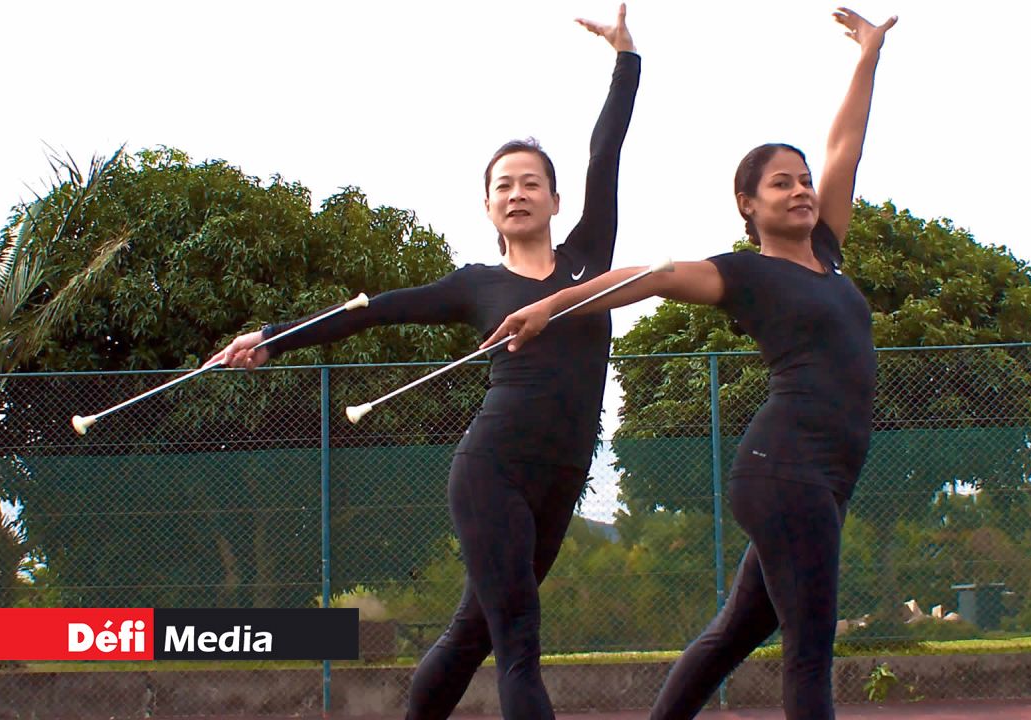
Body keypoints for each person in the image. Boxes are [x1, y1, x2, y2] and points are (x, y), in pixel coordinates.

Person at [210, 7, 640, 718]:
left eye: (531, 182)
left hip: (563, 475)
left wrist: (625, 60)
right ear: (487, 206)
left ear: (556, 200)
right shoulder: (474, 284)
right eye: (504, 184)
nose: (518, 193)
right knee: (519, 640)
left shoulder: (589, 258)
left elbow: (607, 152)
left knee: (473, 633)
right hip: (493, 468)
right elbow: (370, 310)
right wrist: (272, 337)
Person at [481, 8, 895, 719]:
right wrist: (555, 305)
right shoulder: (745, 274)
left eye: (803, 181)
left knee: (738, 632)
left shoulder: (828, 252)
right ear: (748, 205)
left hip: (826, 475)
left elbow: (846, 143)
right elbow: (652, 275)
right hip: (785, 468)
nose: (800, 190)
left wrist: (869, 55)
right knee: (810, 648)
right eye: (780, 184)